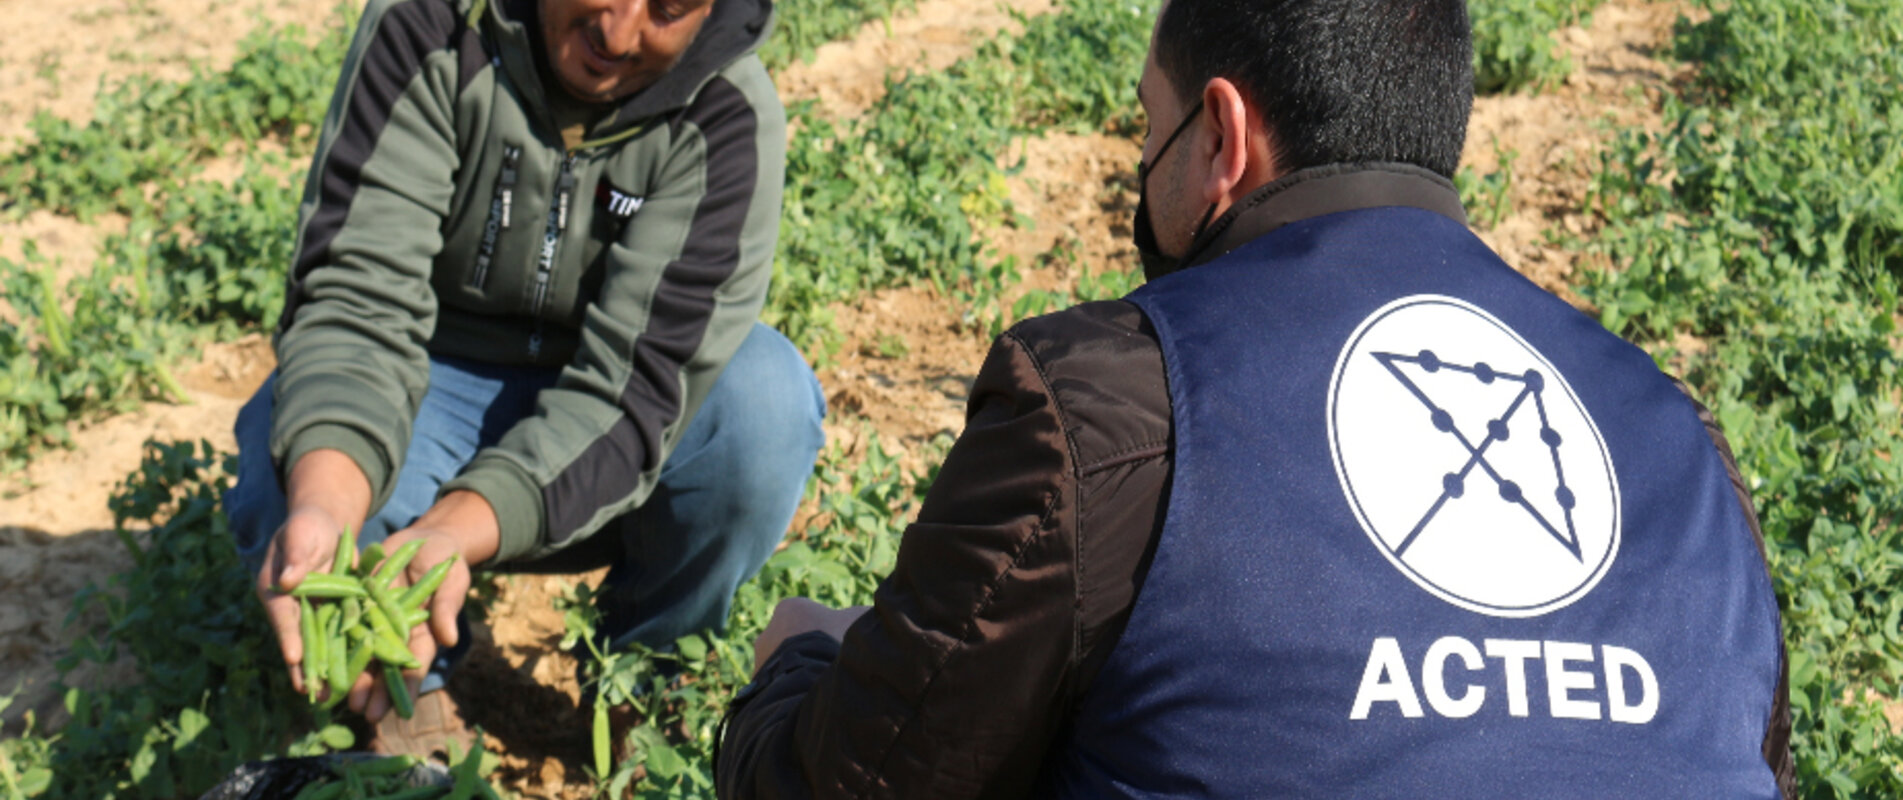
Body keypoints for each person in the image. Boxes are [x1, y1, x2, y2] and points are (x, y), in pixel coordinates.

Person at [714, 0, 1795, 796]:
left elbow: (858, 784)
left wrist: (797, 665)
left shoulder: (1113, 402)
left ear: (1222, 137)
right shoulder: (1678, 438)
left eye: (1150, 129)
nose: (1143, 165)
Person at [224, 0, 824, 755]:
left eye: (668, 7)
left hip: (605, 412)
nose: (616, 33)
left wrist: (453, 528)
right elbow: (357, 300)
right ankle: (400, 692)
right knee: (295, 461)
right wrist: (326, 501)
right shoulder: (433, 28)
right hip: (429, 379)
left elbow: (636, 390)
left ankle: (644, 669)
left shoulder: (724, 110)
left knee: (762, 408)